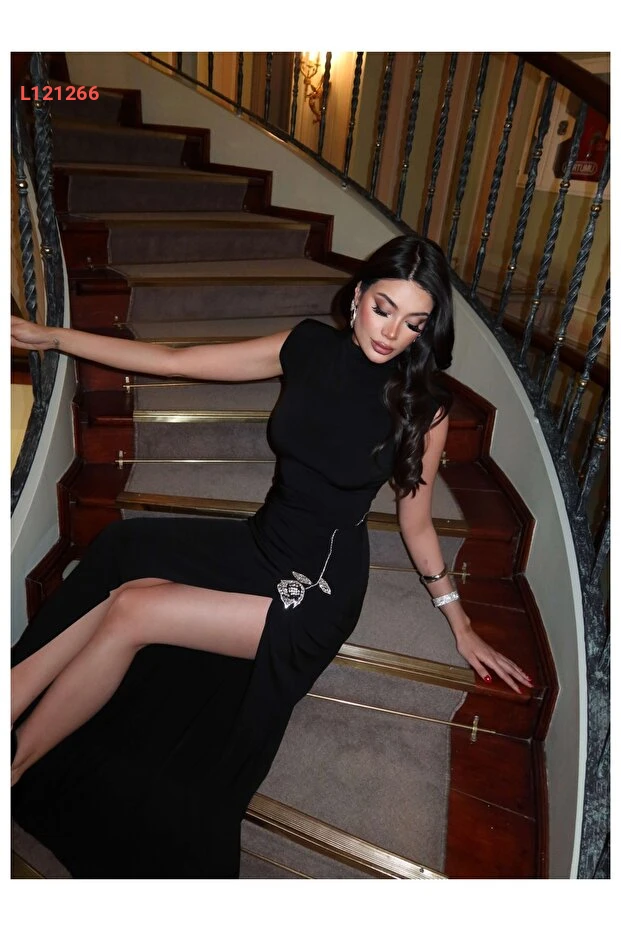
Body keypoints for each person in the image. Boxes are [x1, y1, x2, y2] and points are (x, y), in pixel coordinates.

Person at [10, 233, 531, 878]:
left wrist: (460, 621)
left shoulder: (423, 407)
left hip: (314, 589)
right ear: (357, 297)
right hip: (263, 540)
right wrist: (55, 337)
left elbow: (417, 522)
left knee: (133, 610)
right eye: (383, 309)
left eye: (414, 323)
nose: (393, 333)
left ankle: (17, 767)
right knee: (124, 548)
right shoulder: (305, 346)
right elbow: (176, 359)